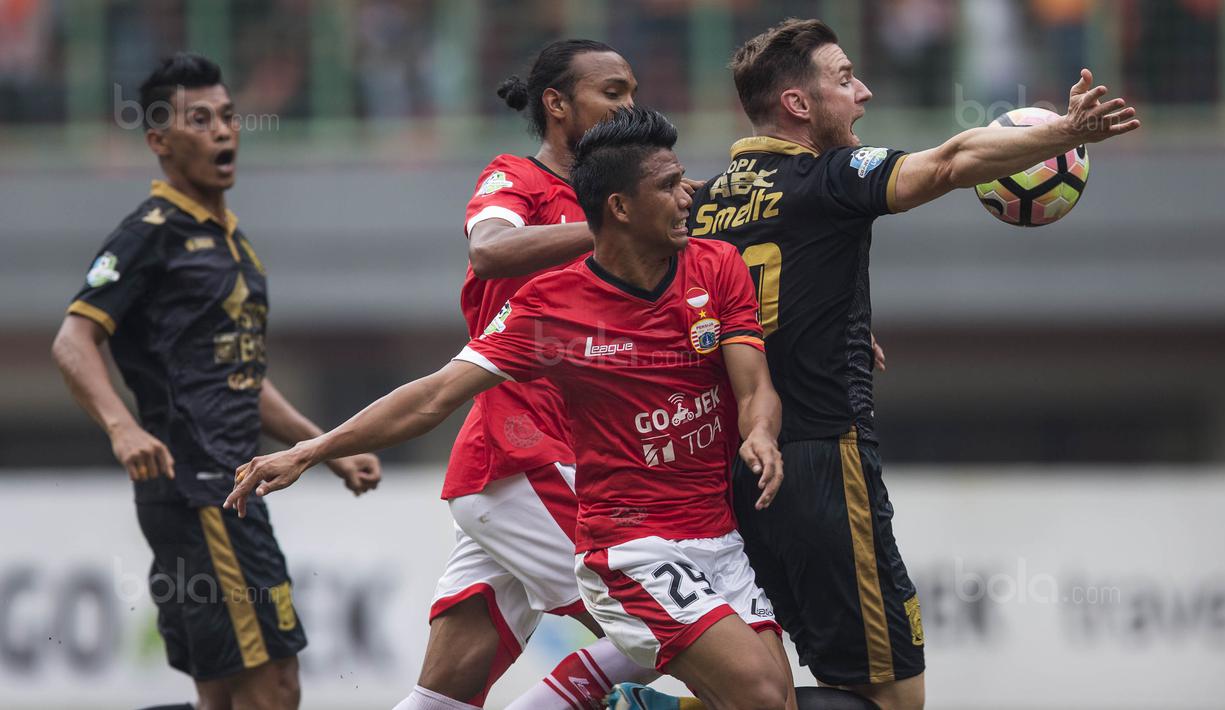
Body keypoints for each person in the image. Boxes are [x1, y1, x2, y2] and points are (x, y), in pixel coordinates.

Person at [226, 107, 798, 710]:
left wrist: (759, 431)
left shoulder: (717, 266)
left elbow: (752, 383)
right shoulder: (553, 307)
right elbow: (436, 394)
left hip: (718, 537)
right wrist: (312, 449)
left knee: (778, 702)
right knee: (753, 694)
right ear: (620, 208)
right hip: (633, 543)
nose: (689, 197)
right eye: (668, 185)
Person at [668, 18, 1137, 710]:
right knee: (891, 699)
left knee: (784, 684)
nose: (862, 92)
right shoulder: (826, 178)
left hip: (731, 475)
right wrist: (1065, 133)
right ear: (798, 105)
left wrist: (828, 324)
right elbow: (949, 162)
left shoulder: (702, 202)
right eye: (843, 78)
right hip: (827, 464)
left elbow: (707, 313)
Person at [50, 53, 381, 710]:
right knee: (274, 685)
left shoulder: (231, 240)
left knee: (224, 695)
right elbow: (73, 339)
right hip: (201, 494)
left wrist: (323, 447)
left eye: (229, 116)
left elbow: (242, 378)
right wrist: (122, 428)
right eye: (199, 120)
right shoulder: (150, 235)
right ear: (159, 140)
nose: (223, 132)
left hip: (230, 489)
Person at [394, 40, 671, 710]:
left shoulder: (629, 210)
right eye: (611, 91)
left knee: (445, 694)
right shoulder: (515, 179)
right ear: (556, 104)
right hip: (524, 454)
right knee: (672, 632)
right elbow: (489, 251)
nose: (626, 106)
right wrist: (609, 227)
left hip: (552, 462)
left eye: (631, 91)